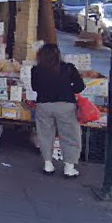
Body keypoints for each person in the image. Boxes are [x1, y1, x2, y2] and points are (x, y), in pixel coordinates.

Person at [31, 43, 86, 177]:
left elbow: (35, 87)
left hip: (44, 104)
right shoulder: (68, 68)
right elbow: (80, 86)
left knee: (45, 134)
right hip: (65, 105)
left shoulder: (36, 70)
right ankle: (69, 166)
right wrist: (68, 89)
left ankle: (48, 164)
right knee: (69, 135)